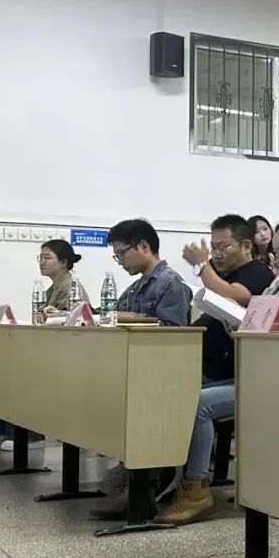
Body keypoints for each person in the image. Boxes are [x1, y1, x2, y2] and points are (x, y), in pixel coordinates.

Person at [158, 216, 279, 525]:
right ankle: (170, 479)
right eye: (275, 253)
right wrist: (238, 324)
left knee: (200, 404)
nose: (277, 260)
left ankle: (197, 489)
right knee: (187, 392)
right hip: (258, 373)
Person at [90, 219, 194, 520]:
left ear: (144, 247)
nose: (120, 260)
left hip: (163, 373)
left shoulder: (171, 284)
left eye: (122, 253)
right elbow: (113, 315)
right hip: (134, 367)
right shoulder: (136, 287)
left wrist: (130, 317)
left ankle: (149, 481)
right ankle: (129, 469)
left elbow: (174, 335)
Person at [0, 239, 92, 451]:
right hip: (53, 350)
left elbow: (77, 322)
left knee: (24, 373)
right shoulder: (53, 288)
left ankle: (32, 437)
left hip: (71, 354)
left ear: (63, 262)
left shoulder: (72, 288)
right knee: (3, 367)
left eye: (47, 257)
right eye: (40, 258)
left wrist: (57, 315)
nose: (42, 262)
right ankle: (4, 430)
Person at [182, 214, 274, 384]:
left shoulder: (258, 271)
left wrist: (202, 266)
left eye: (223, 248)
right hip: (198, 361)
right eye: (213, 248)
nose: (217, 255)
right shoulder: (220, 272)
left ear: (246, 246)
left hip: (226, 374)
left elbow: (234, 295)